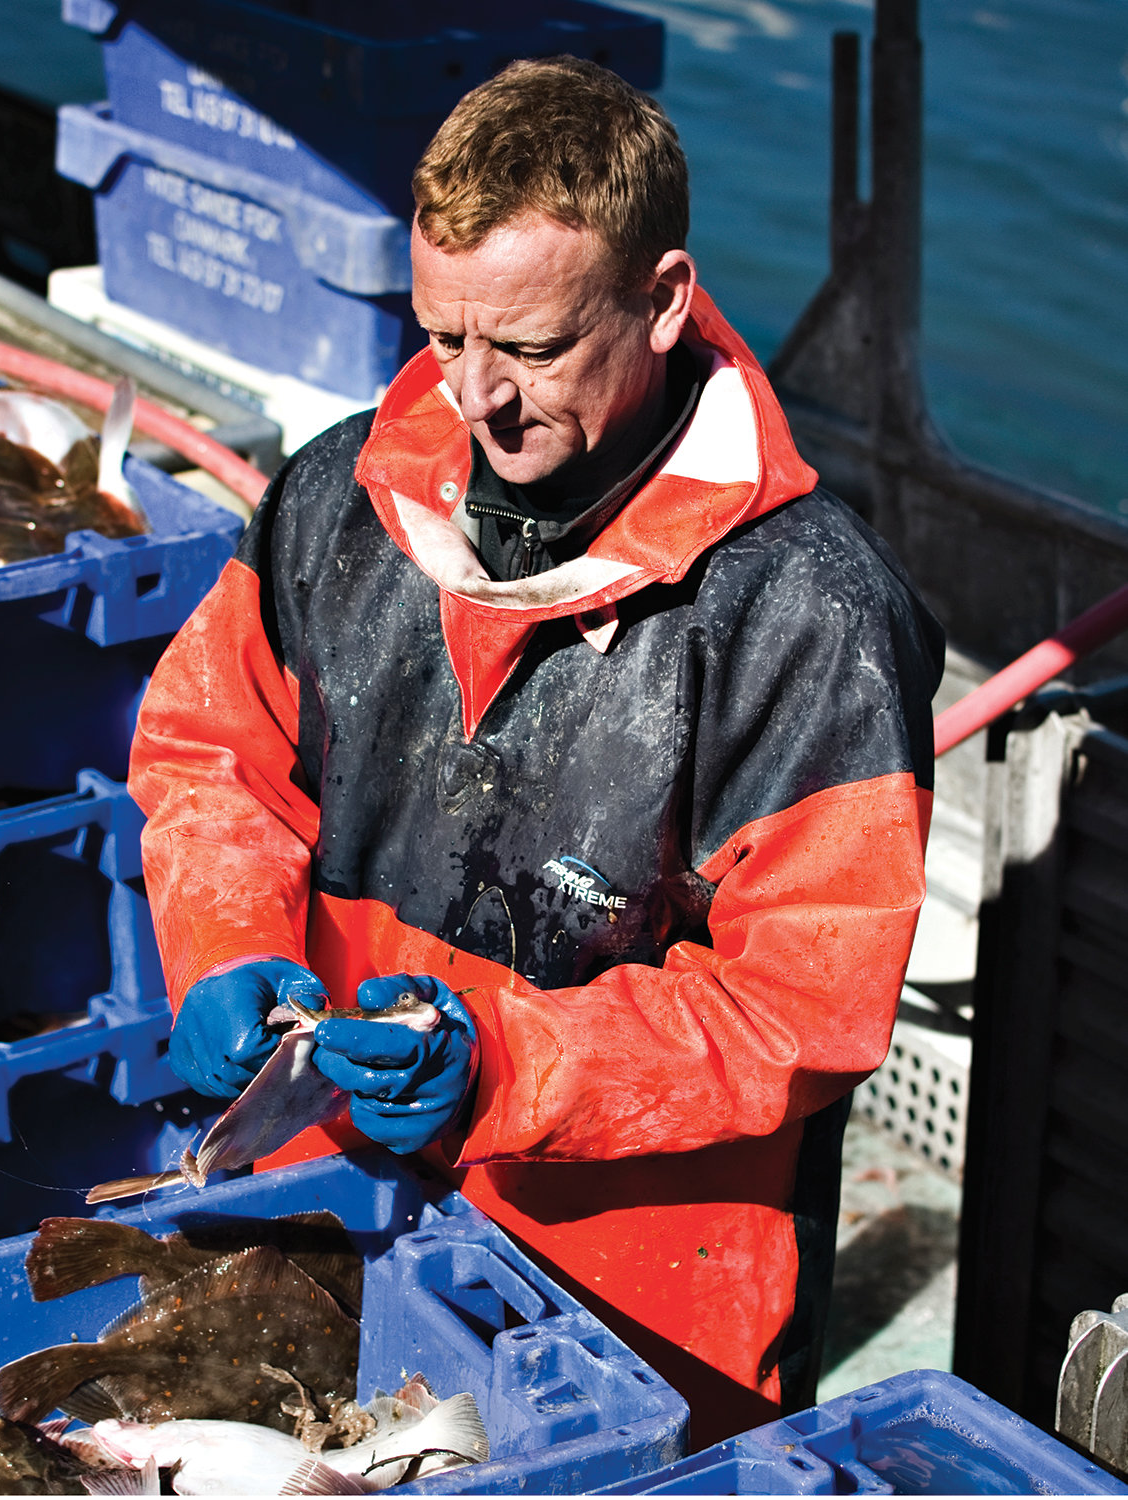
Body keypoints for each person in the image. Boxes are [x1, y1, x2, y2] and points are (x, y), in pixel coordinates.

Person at [127, 55, 944, 1447]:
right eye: (446, 339)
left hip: (637, 1291)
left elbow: (805, 1009)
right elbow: (211, 753)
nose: (478, 399)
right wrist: (221, 949)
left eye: (535, 348)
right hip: (334, 1196)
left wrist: (510, 1067)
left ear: (665, 299)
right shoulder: (334, 496)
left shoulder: (816, 616)